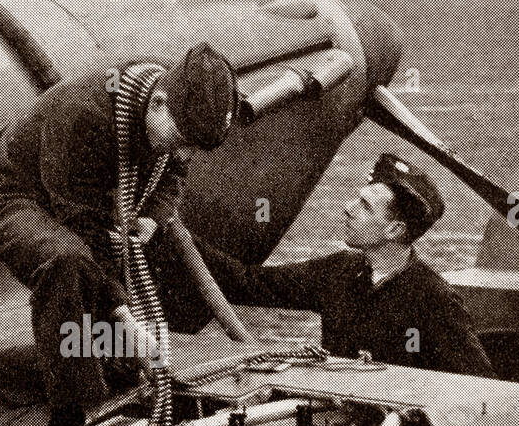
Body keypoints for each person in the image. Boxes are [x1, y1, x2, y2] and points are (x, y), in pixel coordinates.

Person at [0, 44, 239, 426]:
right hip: (15, 200)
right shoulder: (86, 115)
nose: (185, 154)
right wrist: (128, 317)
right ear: (161, 103)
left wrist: (152, 215)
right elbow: (85, 233)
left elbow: (172, 170)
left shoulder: (161, 103)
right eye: (183, 141)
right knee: (66, 263)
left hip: (73, 210)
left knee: (117, 364)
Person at [196, 153, 495, 377]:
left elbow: (481, 387)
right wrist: (170, 233)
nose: (347, 209)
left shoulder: (433, 298)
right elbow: (247, 283)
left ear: (394, 230)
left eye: (364, 206)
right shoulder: (339, 270)